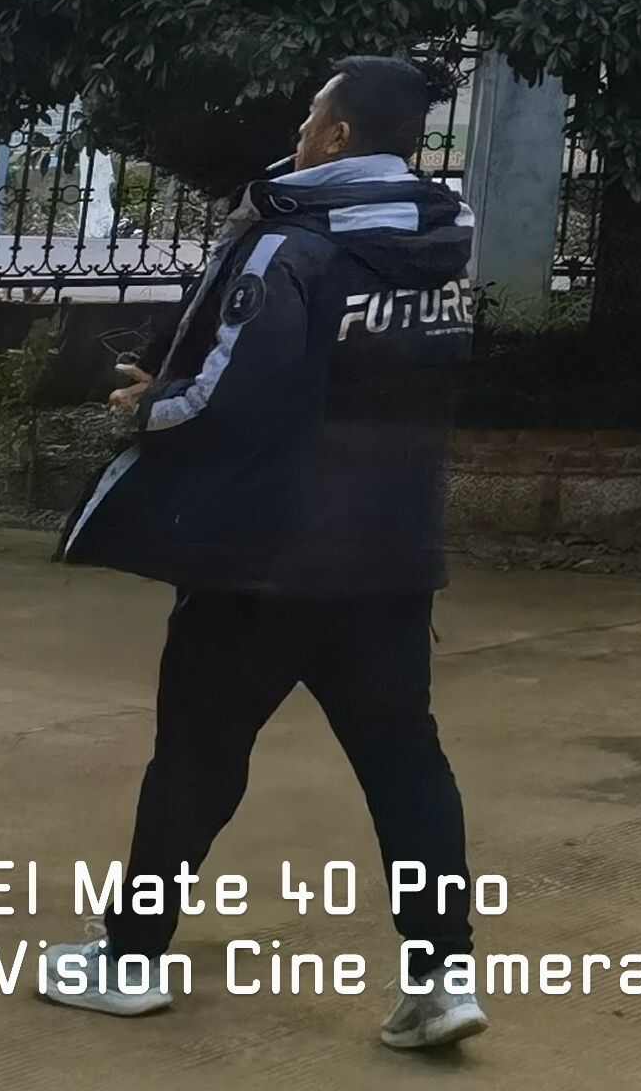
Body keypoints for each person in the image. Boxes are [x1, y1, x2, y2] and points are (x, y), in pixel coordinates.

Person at [32, 55, 489, 1053]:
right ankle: (440, 976)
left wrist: (144, 406)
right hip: (392, 548)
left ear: (333, 137)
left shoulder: (291, 245)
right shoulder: (444, 246)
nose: (299, 129)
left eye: (311, 115)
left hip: (267, 550)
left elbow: (226, 391)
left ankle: (128, 960)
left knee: (197, 753)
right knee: (405, 760)